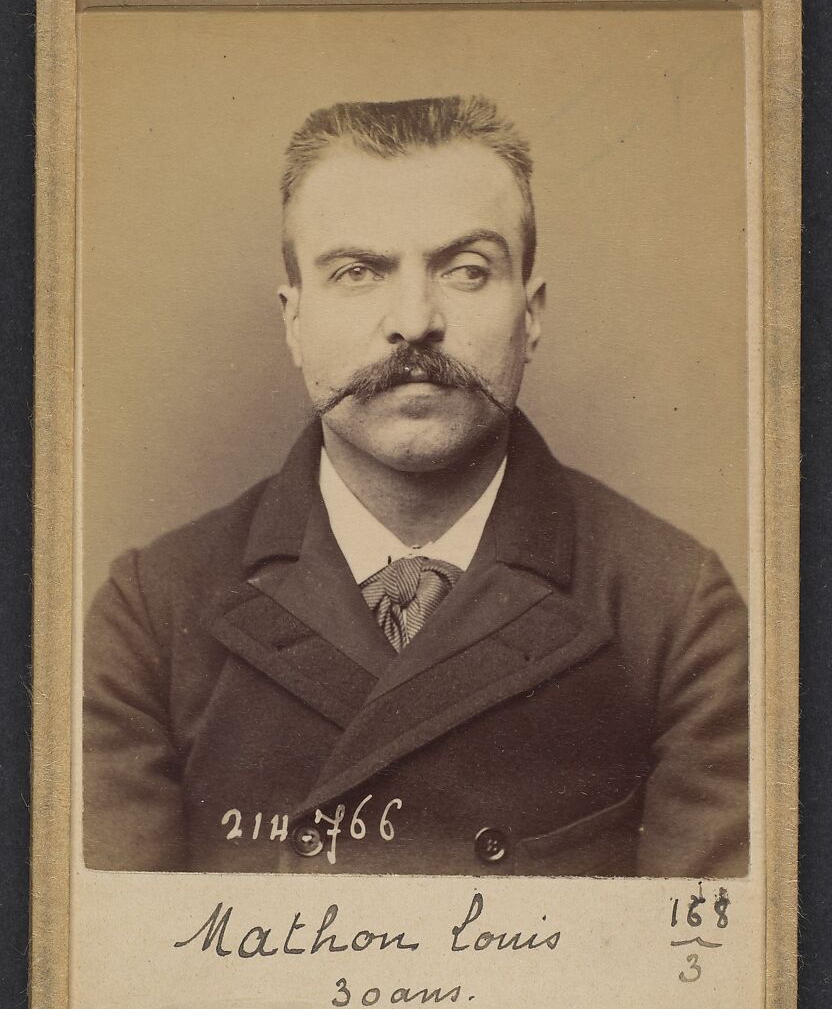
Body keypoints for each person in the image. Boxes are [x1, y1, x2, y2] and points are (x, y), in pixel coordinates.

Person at [83, 95, 748, 876]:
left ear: (530, 315)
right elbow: (114, 979)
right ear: (293, 322)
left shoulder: (675, 609)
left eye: (467, 270)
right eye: (358, 272)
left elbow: (707, 976)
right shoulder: (153, 612)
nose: (415, 319)